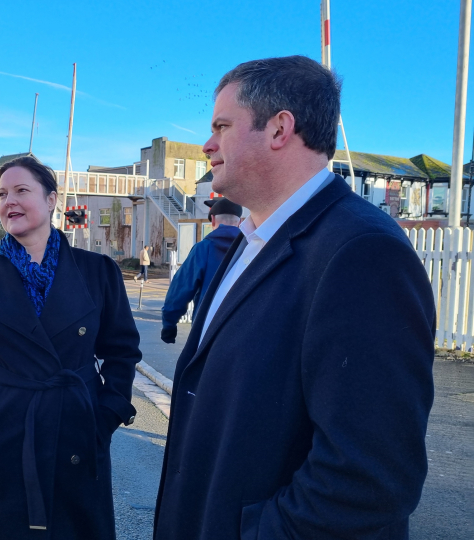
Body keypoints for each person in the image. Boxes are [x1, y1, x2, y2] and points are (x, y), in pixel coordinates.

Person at [154, 56, 435, 540]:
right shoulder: (252, 236)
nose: (207, 144)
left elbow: (367, 479)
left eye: (222, 125)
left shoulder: (362, 252)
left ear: (280, 128)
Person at [0, 156, 141, 539]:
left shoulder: (97, 271)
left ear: (51, 200)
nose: (9, 200)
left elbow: (122, 351)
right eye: (1, 193)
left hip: (77, 426)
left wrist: (107, 414)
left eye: (21, 190)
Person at [160, 197, 242, 344]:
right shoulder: (252, 248)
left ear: (213, 221)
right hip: (244, 330)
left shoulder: (203, 249)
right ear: (240, 222)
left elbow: (181, 289)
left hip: (207, 328)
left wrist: (169, 325)